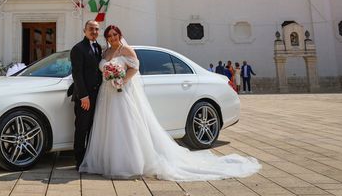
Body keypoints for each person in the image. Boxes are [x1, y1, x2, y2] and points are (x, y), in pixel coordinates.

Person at [79, 24, 261, 180]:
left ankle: (128, 163)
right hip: (107, 93)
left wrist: (122, 80)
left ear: (120, 35)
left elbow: (135, 68)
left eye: (115, 35)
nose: (112, 37)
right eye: (109, 35)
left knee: (125, 127)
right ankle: (107, 162)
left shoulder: (126, 50)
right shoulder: (106, 51)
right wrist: (111, 78)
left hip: (122, 92)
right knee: (108, 128)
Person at [69, 20, 102, 170]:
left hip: (98, 95)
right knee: (82, 128)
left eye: (96, 29)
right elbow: (77, 74)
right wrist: (83, 96)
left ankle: (90, 158)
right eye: (91, 29)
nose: (94, 32)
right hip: (85, 98)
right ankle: (79, 161)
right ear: (84, 30)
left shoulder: (98, 47)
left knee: (93, 129)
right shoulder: (78, 48)